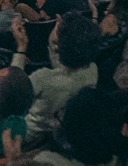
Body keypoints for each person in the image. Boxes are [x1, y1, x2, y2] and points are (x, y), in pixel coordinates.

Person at [12, 13, 100, 144]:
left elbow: (12, 91)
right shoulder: (93, 69)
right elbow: (61, 63)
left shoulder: (44, 78)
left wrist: (21, 47)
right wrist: (56, 36)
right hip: (56, 133)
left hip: (28, 136)